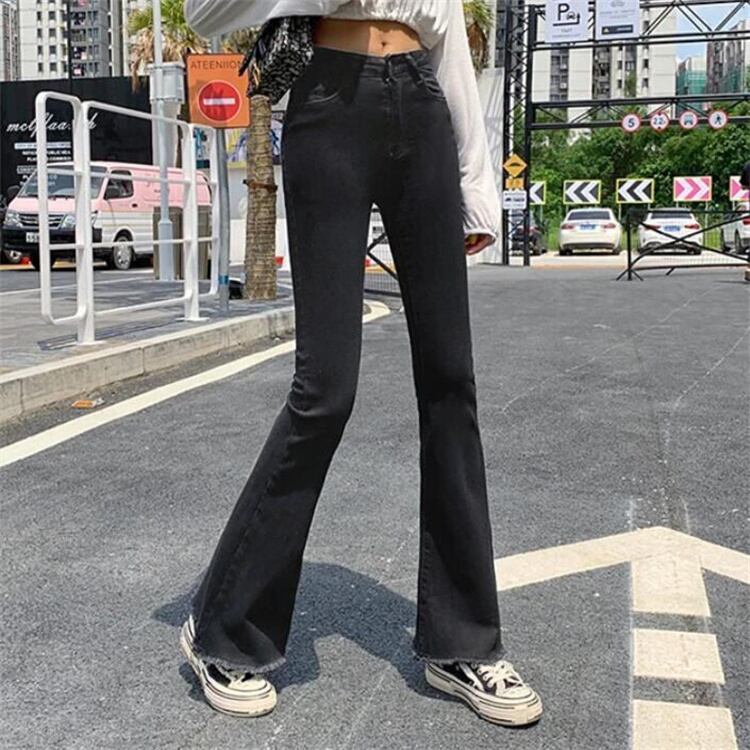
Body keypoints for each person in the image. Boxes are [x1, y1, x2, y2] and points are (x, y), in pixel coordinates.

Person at [181, 0, 543, 728]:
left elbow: (449, 44)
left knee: (451, 380)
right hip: (328, 99)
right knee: (325, 389)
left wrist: (477, 189)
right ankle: (224, 624)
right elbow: (203, 14)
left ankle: (463, 643)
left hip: (422, 105)